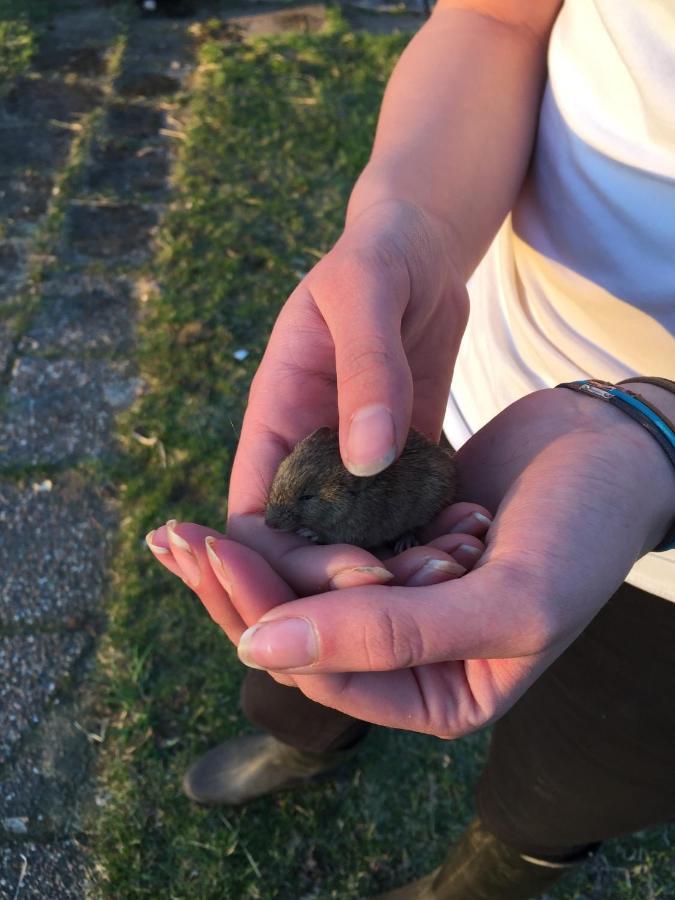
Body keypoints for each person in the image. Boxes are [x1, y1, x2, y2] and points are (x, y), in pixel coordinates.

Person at [146, 1, 675, 896]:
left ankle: (476, 878)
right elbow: (491, 17)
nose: (289, 510)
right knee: (300, 644)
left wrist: (658, 436)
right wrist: (404, 228)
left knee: (581, 774)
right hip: (482, 373)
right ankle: (304, 739)